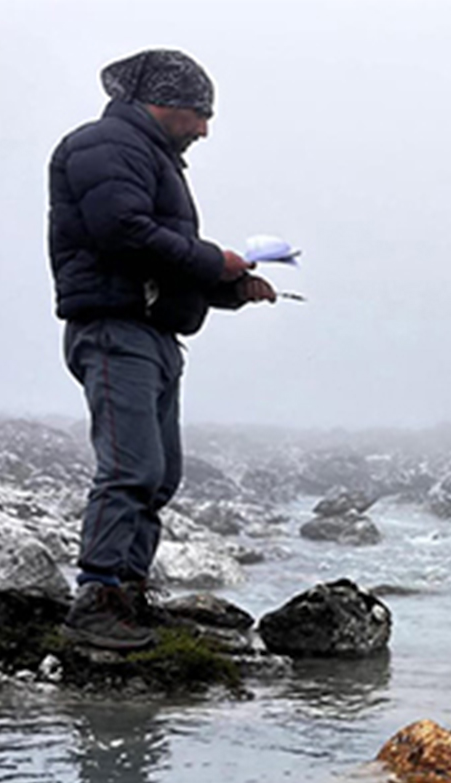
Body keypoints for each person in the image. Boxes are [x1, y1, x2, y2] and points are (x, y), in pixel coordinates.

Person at [48, 48, 276, 650]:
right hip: (114, 330)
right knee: (132, 468)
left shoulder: (149, 155)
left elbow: (156, 255)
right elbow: (122, 232)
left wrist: (229, 288)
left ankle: (127, 592)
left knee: (160, 474)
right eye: (200, 113)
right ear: (164, 103)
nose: (204, 128)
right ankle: (96, 600)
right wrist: (214, 260)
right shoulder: (105, 145)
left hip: (150, 332)